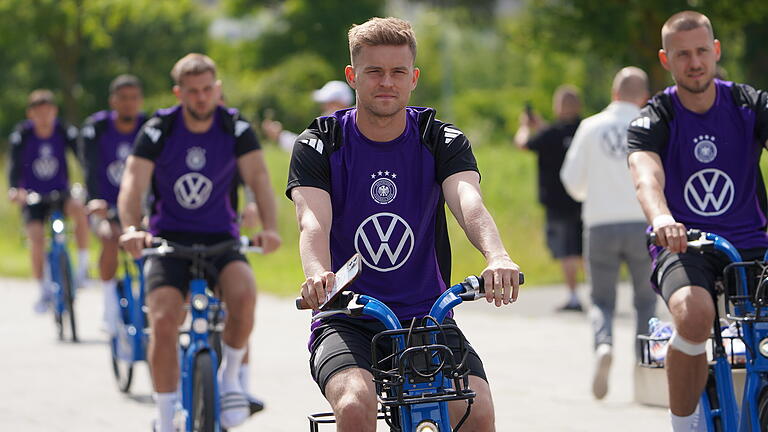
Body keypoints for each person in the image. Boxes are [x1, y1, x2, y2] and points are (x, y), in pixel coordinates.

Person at [288, 17, 521, 432]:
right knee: (357, 405)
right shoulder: (321, 142)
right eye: (374, 72)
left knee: (476, 411)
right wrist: (317, 275)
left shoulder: (439, 138)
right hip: (348, 316)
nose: (386, 82)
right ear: (352, 76)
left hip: (427, 316)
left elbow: (468, 202)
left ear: (413, 78)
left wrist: (497, 255)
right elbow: (312, 222)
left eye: (397, 72)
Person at [118, 53, 281, 431]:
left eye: (208, 89)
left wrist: (270, 228)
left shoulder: (235, 126)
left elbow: (258, 178)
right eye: (192, 92)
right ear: (179, 93)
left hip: (221, 240)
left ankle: (228, 382)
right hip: (167, 241)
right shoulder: (159, 128)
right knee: (161, 320)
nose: (202, 98)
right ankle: (163, 416)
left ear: (217, 89)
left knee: (243, 295)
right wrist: (130, 227)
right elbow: (133, 183)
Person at [627, 11, 768, 431]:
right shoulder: (655, 117)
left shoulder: (749, 104)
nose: (695, 62)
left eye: (702, 51)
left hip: (753, 244)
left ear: (716, 51)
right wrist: (663, 217)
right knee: (693, 312)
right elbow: (646, 177)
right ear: (665, 59)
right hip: (686, 244)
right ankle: (684, 422)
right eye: (682, 54)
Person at [560, 67, 657, 400]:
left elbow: (572, 180)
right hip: (644, 224)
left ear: (614, 94)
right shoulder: (651, 125)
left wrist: (593, 193)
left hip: (600, 224)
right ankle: (644, 365)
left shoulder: (590, 126)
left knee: (602, 299)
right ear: (643, 97)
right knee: (646, 300)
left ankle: (604, 344)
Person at [7, 89, 90, 312]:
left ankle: (83, 268)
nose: (44, 118)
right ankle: (43, 289)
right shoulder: (22, 134)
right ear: (30, 114)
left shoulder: (63, 130)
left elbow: (81, 157)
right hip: (33, 195)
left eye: (48, 112)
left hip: (60, 192)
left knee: (79, 210)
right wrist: (15, 189)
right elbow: (14, 164)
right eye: (39, 113)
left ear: (54, 111)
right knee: (36, 239)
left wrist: (88, 184)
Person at [80, 74, 146, 334]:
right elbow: (89, 167)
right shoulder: (96, 128)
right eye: (123, 99)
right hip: (106, 206)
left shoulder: (150, 126)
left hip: (141, 207)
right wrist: (94, 199)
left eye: (134, 98)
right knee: (109, 238)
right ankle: (108, 305)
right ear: (113, 101)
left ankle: (149, 299)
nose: (129, 104)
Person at [515, 86, 584, 312]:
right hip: (584, 199)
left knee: (566, 251)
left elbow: (523, 143)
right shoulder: (585, 130)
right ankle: (593, 293)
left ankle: (573, 295)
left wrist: (525, 126)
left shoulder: (551, 134)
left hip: (556, 200)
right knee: (583, 249)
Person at [262, 80, 353, 152]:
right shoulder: (338, 128)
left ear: (340, 104)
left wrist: (279, 136)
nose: (323, 108)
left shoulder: (342, 131)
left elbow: (309, 148)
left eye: (328, 103)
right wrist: (280, 136)